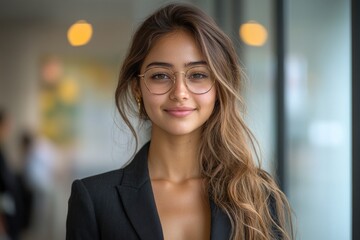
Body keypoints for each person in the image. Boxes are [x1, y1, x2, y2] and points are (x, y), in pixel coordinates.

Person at [66, 3, 293, 240]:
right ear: (137, 88)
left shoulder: (258, 195)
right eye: (160, 76)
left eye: (198, 75)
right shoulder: (95, 199)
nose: (180, 92)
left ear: (218, 87)